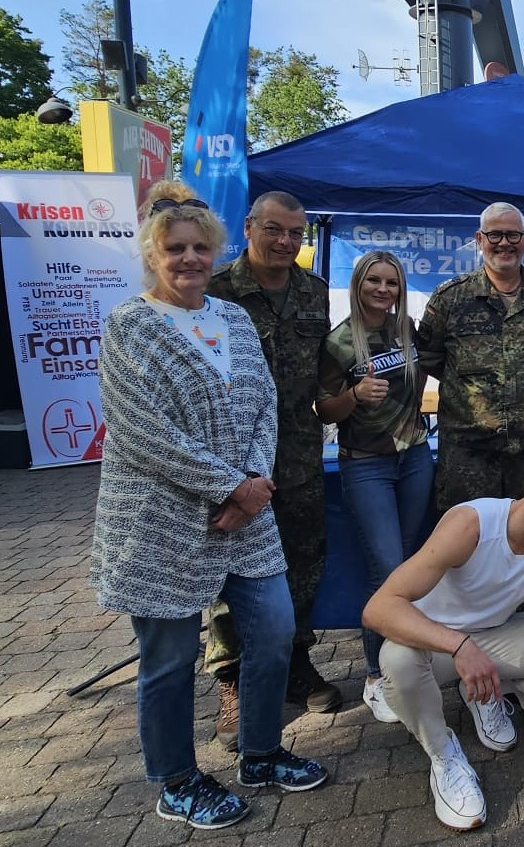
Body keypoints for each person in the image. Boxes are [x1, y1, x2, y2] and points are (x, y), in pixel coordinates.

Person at [91, 195, 326, 831]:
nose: (190, 258)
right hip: (161, 519)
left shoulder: (233, 319)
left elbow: (263, 405)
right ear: (152, 255)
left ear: (216, 249)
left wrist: (252, 483)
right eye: (175, 248)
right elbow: (141, 430)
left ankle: (260, 752)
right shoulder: (129, 325)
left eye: (200, 247)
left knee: (275, 629)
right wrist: (228, 487)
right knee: (168, 660)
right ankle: (175, 779)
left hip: (247, 512)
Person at [362, 444, 524, 831]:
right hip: (433, 642)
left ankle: (484, 692)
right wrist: (458, 644)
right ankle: (444, 757)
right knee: (398, 661)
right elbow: (378, 608)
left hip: (496, 633)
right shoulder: (473, 523)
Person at [205, 191, 337, 750]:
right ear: (250, 227)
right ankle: (232, 682)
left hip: (300, 456)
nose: (286, 242)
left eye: (295, 233)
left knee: (303, 562)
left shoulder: (315, 292)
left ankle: (294, 664)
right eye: (274, 230)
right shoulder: (216, 292)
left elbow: (325, 375)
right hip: (236, 463)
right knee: (231, 572)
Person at [316, 251, 432, 722]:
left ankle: (407, 662)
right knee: (385, 569)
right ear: (358, 285)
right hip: (366, 465)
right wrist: (354, 396)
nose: (383, 290)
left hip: (416, 457)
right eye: (374, 282)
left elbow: (424, 377)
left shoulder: (409, 331)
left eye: (391, 282)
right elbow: (324, 411)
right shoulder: (339, 342)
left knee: (409, 564)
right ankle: (374, 674)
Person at [416, 202, 524, 513]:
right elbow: (429, 357)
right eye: (494, 235)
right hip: (468, 455)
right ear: (479, 239)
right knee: (466, 550)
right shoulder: (449, 299)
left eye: (512, 235)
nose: (504, 243)